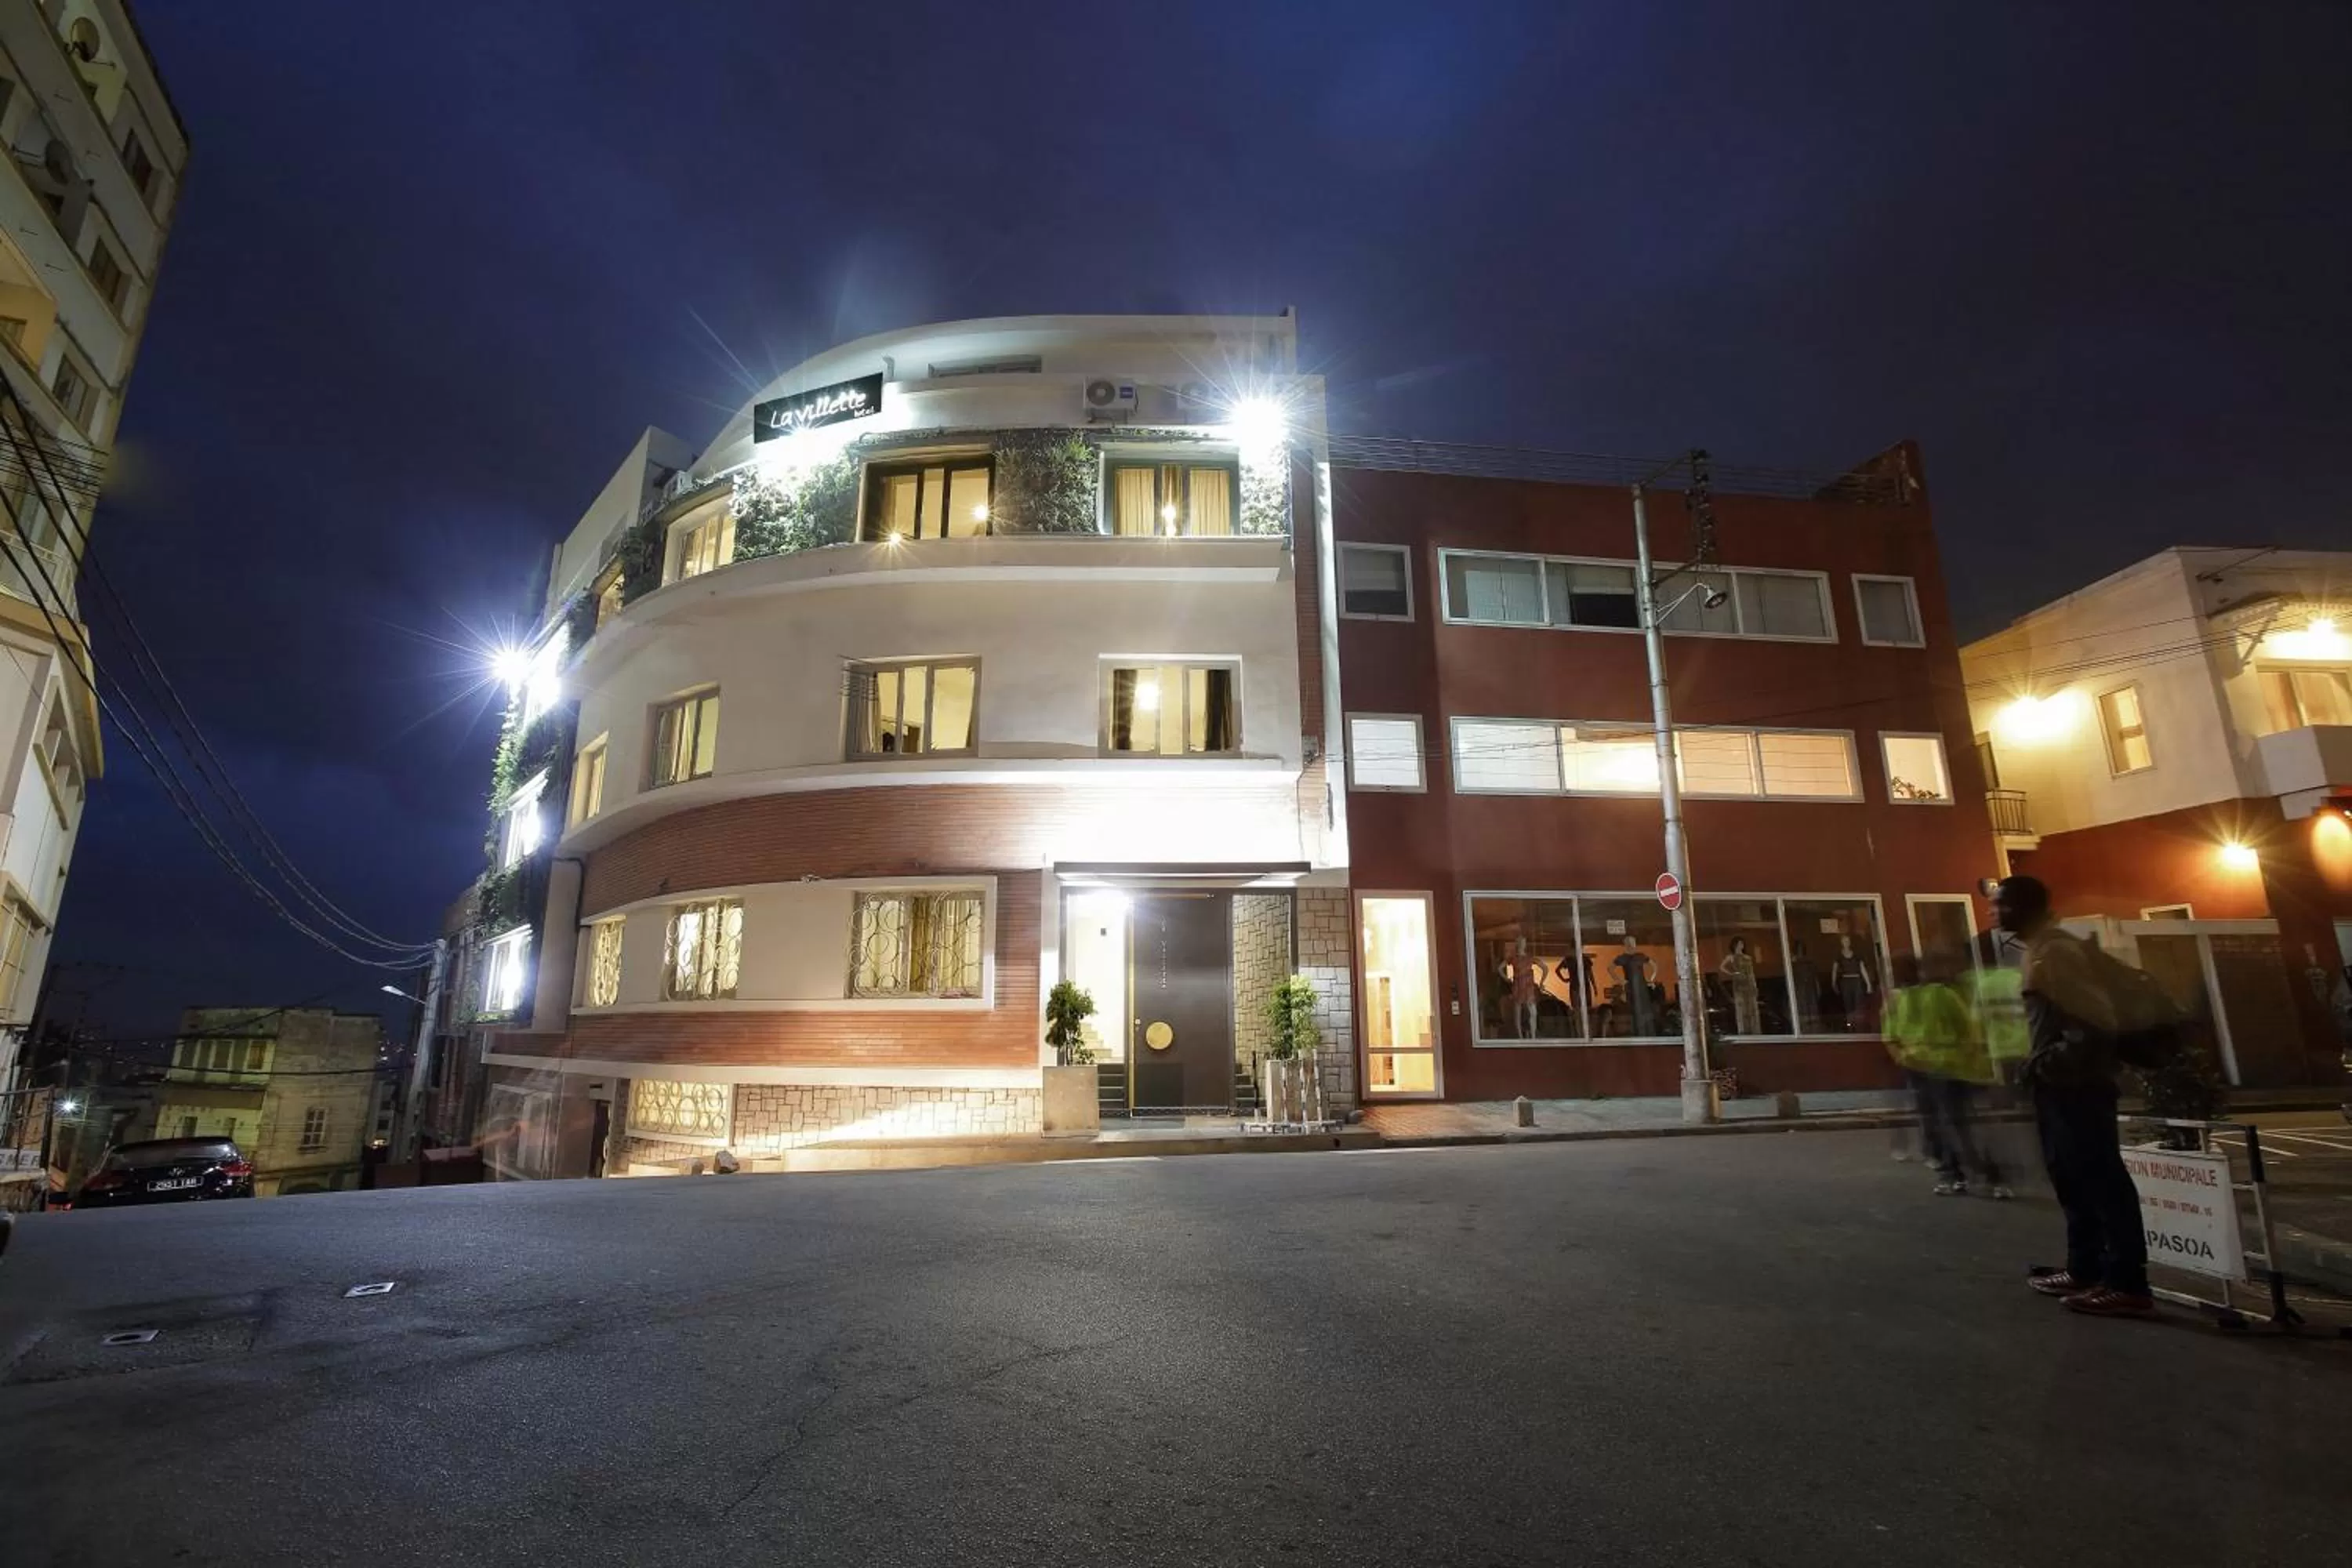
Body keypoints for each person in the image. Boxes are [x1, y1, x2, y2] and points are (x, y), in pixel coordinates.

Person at [1994, 874, 2153, 1318]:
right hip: (2057, 1086)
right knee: (2072, 1178)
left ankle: (2127, 1282)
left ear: (2025, 907)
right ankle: (2084, 1267)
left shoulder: (2058, 953)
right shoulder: (2040, 951)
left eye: (2000, 904)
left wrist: (2047, 1064)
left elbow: (2095, 1024)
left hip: (2078, 1087)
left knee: (2102, 1180)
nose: (1993, 912)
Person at [1886, 949, 2008, 1196]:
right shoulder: (1901, 1000)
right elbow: (1891, 1035)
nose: (1894, 976)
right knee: (1944, 1124)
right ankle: (1958, 1174)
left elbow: (1968, 1031)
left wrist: (1905, 1056)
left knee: (1954, 1123)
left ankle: (1979, 1175)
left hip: (1944, 1069)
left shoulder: (1940, 995)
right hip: (1926, 1070)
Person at [1719, 937, 1762, 1036]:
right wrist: (1732, 974)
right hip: (1739, 984)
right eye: (1739, 944)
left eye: (1742, 944)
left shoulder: (1748, 958)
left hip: (1748, 983)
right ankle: (1744, 1030)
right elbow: (1721, 967)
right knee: (1741, 1007)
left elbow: (1751, 973)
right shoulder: (1731, 957)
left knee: (1751, 1006)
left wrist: (1754, 985)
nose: (1741, 946)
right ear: (1735, 945)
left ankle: (1755, 1029)